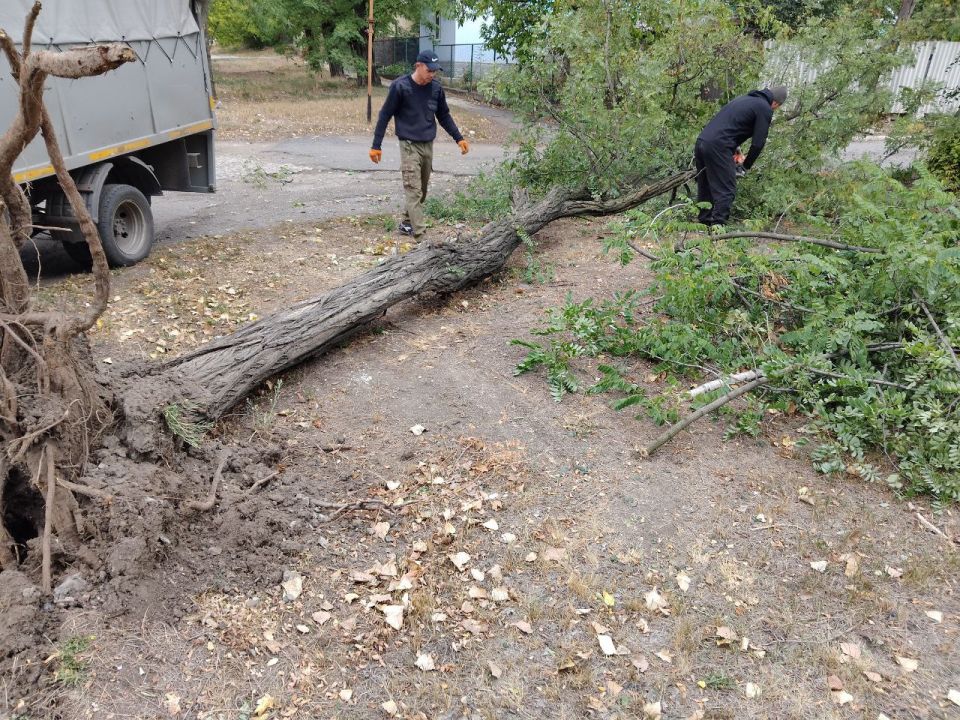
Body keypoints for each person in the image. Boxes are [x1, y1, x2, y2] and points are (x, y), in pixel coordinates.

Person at [369, 50, 470, 238]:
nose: (432, 74)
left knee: (421, 192)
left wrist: (459, 138)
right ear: (418, 66)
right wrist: (376, 145)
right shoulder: (400, 87)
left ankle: (407, 223)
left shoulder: (436, 89)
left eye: (435, 71)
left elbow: (444, 116)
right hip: (408, 144)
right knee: (413, 190)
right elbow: (385, 115)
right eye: (429, 70)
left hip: (427, 145)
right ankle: (421, 237)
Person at [694, 85, 787, 226]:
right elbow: (758, 143)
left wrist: (736, 149)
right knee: (726, 190)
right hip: (719, 146)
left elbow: (727, 126)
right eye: (777, 107)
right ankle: (717, 231)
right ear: (775, 103)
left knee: (706, 187)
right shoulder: (764, 108)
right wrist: (745, 166)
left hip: (702, 142)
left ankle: (702, 225)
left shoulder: (744, 99)